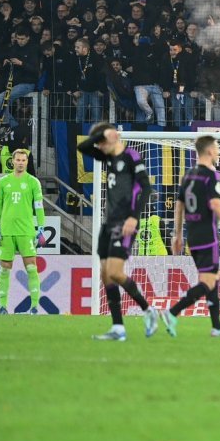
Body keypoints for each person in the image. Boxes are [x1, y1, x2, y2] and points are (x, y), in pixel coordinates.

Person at [77, 123, 158, 341]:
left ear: (112, 137)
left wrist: (134, 217)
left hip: (125, 222)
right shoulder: (108, 158)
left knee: (114, 272)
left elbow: (147, 188)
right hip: (108, 222)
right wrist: (101, 136)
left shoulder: (131, 156)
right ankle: (118, 328)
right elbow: (83, 148)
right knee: (105, 273)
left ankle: (148, 310)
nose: (99, 147)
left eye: (102, 141)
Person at [164, 136, 220, 337]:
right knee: (208, 282)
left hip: (193, 235)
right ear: (209, 151)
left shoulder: (188, 175)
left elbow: (179, 205)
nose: (218, 152)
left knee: (211, 280)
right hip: (208, 235)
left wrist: (178, 235)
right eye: (217, 148)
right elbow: (216, 205)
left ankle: (216, 327)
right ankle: (172, 312)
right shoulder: (212, 175)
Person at [0, 149, 45, 314]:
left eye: (24, 160)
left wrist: (41, 227)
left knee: (31, 268)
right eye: (18, 160)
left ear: (27, 162)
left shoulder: (33, 182)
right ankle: (2, 307)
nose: (21, 162)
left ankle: (34, 307)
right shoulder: (3, 182)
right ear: (12, 161)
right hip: (6, 231)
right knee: (5, 269)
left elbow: (38, 206)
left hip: (26, 231)